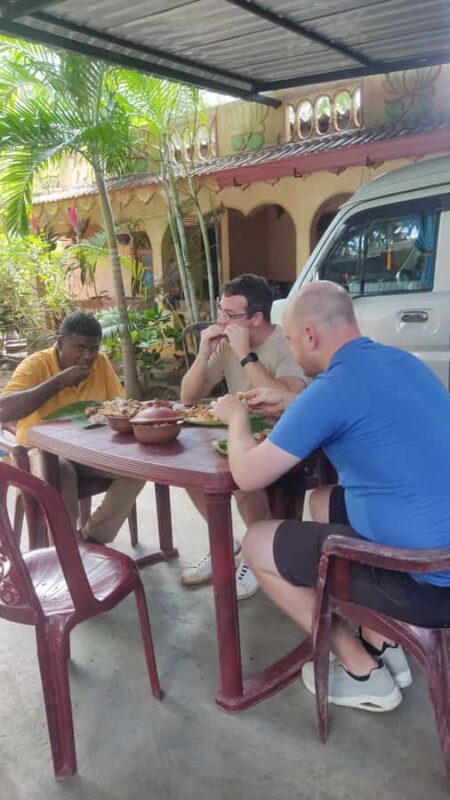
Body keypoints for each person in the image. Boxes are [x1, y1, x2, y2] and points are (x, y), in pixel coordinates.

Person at [210, 280, 450, 712]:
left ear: (310, 336)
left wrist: (236, 418)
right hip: (441, 551)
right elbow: (352, 408)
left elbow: (247, 475)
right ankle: (382, 640)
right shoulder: (402, 362)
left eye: (291, 337)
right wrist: (289, 401)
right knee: (320, 499)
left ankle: (362, 671)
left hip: (426, 581)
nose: (294, 350)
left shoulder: (330, 390)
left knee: (257, 542)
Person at [180, 273, 307, 599]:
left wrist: (244, 355)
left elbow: (288, 398)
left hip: (281, 438)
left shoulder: (286, 343)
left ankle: (256, 552)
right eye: (220, 311)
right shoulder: (223, 344)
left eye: (230, 315)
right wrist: (202, 354)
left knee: (245, 480)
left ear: (256, 318)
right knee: (190, 470)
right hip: (236, 431)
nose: (221, 321)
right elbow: (189, 398)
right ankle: (224, 544)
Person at [0, 310, 144, 545]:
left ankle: (92, 538)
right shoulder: (36, 365)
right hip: (39, 452)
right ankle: (67, 549)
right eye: (79, 348)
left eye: (94, 348)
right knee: (61, 470)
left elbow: (119, 404)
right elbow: (4, 410)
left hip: (88, 449)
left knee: (136, 467)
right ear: (60, 342)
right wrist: (60, 381)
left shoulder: (101, 363)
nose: (88, 356)